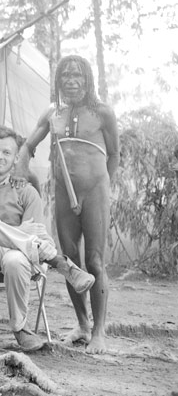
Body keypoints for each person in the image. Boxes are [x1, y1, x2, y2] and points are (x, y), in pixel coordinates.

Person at [0, 126, 95, 352]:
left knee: (15, 260)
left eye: (6, 152)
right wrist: (19, 229)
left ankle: (20, 329)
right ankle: (57, 261)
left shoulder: (26, 192)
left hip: (17, 256)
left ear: (16, 158)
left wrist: (18, 236)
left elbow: (36, 233)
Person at [15, 55, 119, 354]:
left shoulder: (102, 113)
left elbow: (114, 155)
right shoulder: (53, 113)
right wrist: (22, 171)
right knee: (70, 260)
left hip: (95, 195)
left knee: (95, 261)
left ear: (88, 79)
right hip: (62, 193)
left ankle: (99, 333)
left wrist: (104, 187)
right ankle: (83, 325)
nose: (72, 81)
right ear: (58, 80)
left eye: (78, 76)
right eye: (66, 76)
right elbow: (28, 146)